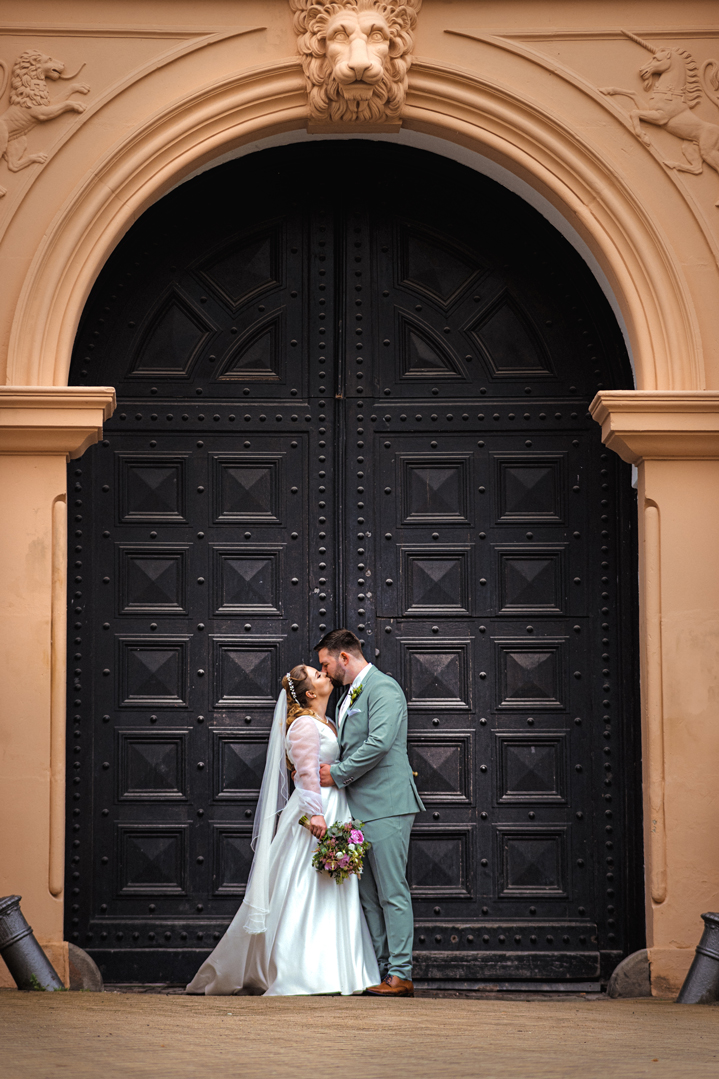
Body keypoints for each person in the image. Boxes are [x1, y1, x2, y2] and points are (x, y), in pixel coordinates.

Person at [185, 664, 379, 996]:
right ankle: (299, 970)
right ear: (308, 693)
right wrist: (317, 815)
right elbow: (305, 774)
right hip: (314, 813)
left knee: (332, 888)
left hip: (336, 807)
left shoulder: (325, 722)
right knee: (307, 887)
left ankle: (338, 970)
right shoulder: (304, 725)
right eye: (316, 675)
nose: (323, 674)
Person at [315, 629, 425, 998]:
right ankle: (382, 970)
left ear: (344, 658)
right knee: (367, 896)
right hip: (359, 810)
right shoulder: (348, 694)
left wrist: (338, 774)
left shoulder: (384, 688)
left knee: (392, 891)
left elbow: (379, 742)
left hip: (388, 805)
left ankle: (401, 973)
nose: (325, 672)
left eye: (326, 664)